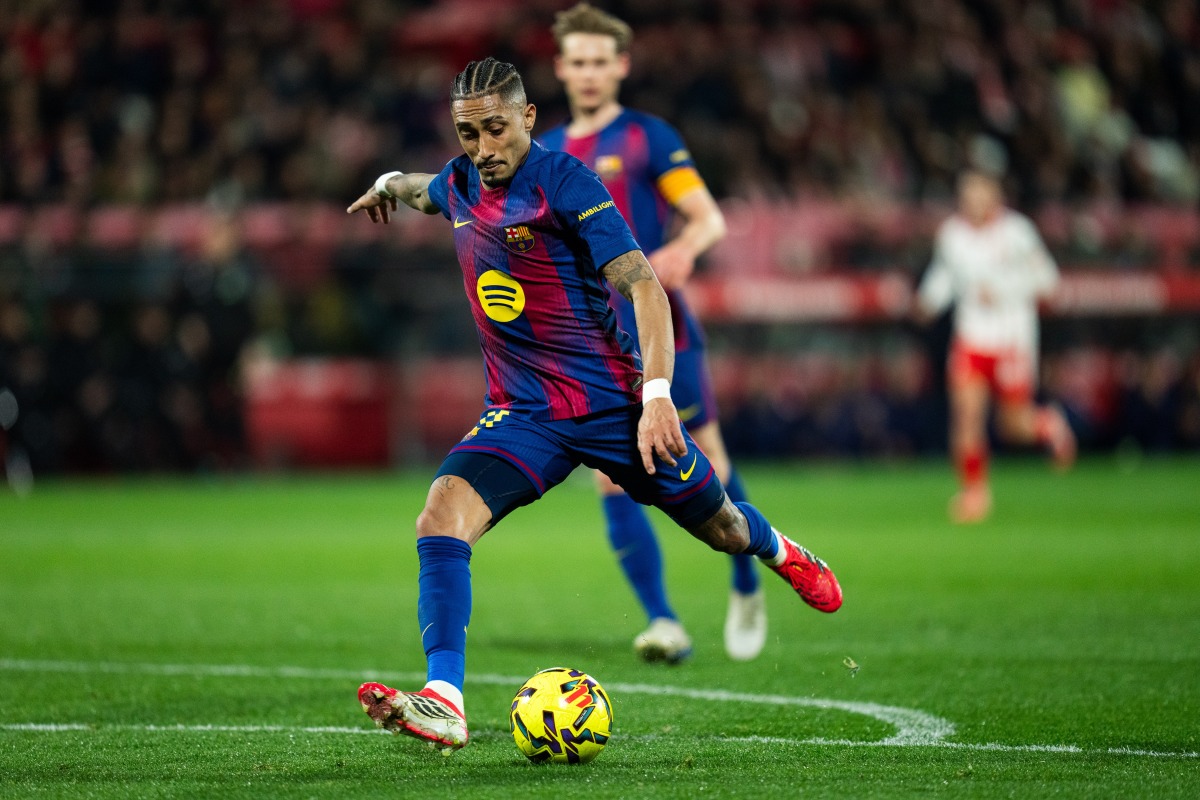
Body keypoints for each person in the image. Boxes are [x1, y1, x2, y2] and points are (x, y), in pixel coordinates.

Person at [346, 57, 842, 754]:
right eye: (468, 134)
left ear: (527, 119)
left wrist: (658, 398)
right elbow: (421, 188)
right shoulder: (460, 181)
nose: (483, 148)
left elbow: (644, 288)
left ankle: (782, 550)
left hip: (611, 406)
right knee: (440, 514)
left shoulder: (567, 184)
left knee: (723, 527)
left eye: (495, 129)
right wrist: (382, 186)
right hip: (522, 415)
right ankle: (445, 698)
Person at [537, 2, 765, 664]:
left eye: (599, 61)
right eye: (576, 61)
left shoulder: (647, 137)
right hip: (597, 338)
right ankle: (665, 621)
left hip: (659, 321)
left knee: (709, 462)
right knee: (613, 474)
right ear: (560, 68)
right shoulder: (545, 151)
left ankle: (748, 576)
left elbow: (707, 216)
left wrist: (686, 249)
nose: (587, 73)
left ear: (621, 66)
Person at [915, 169, 1076, 524]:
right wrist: (927, 301)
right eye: (966, 194)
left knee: (1013, 426)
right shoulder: (952, 235)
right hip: (971, 338)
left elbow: (1048, 282)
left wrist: (1003, 290)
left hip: (1011, 340)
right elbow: (945, 275)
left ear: (994, 195)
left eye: (978, 193)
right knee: (966, 416)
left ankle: (1048, 424)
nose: (971, 201)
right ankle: (974, 493)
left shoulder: (1017, 233)